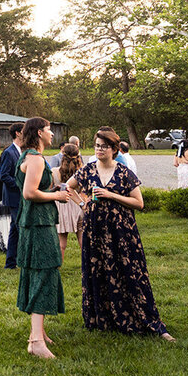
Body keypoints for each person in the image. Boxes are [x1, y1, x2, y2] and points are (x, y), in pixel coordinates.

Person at [68, 128, 173, 340]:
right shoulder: (87, 170)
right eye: (97, 145)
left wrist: (111, 195)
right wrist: (82, 204)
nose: (99, 149)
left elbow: (138, 203)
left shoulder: (124, 172)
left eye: (104, 146)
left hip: (122, 230)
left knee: (129, 271)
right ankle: (103, 318)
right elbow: (69, 187)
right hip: (95, 229)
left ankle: (140, 317)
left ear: (114, 149)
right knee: (98, 270)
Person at [15, 117, 72, 359]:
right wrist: (57, 197)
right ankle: (35, 341)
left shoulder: (26, 156)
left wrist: (52, 191)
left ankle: (40, 330)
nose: (52, 134)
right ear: (39, 133)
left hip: (33, 223)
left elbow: (34, 188)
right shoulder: (36, 159)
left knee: (36, 272)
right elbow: (29, 193)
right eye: (49, 130)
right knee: (44, 272)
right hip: (39, 225)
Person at [0, 122, 26, 270]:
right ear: (17, 133)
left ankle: (10, 263)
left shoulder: (22, 151)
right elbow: (3, 175)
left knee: (14, 231)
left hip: (21, 197)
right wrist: (21, 185)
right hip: (13, 196)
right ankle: (23, 261)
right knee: (20, 228)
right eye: (24, 131)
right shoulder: (9, 152)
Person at [54, 144, 83, 260]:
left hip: (62, 205)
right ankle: (87, 265)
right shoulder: (82, 172)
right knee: (82, 239)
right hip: (78, 204)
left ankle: (58, 264)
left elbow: (52, 190)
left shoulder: (55, 172)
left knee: (62, 241)